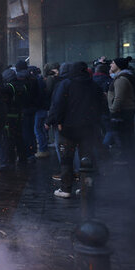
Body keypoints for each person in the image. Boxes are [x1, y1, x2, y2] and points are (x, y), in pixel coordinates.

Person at [46, 62, 107, 198]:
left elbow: (58, 104)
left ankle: (66, 188)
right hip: (88, 128)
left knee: (66, 159)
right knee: (86, 158)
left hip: (68, 128)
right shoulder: (94, 85)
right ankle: (86, 187)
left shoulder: (66, 84)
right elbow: (101, 106)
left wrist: (56, 121)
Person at [107, 56, 135, 160]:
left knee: (124, 138)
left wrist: (112, 109)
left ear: (118, 66)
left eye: (112, 63)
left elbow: (119, 98)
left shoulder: (121, 80)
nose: (111, 65)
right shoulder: (123, 77)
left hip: (122, 113)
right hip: (126, 111)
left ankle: (128, 160)